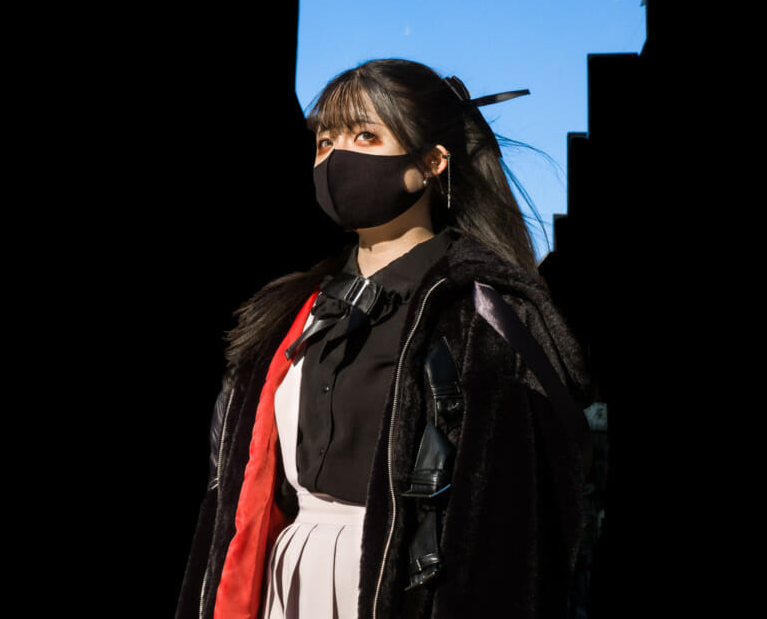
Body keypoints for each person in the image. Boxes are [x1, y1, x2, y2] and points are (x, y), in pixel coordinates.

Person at [176, 59, 592, 619]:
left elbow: (511, 521)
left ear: (431, 163)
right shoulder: (287, 314)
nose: (334, 157)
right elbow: (229, 495)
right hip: (283, 578)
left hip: (402, 586)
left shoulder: (479, 312)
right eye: (324, 141)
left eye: (364, 135)